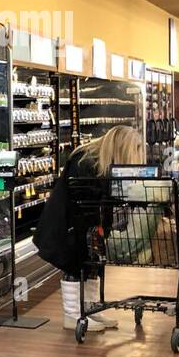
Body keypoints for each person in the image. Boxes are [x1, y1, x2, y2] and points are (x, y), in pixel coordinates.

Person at [34, 125, 147, 332]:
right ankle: (73, 315)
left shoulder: (100, 162)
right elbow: (84, 197)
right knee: (74, 265)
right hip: (68, 226)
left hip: (88, 226)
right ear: (121, 147)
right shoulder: (84, 161)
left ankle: (90, 310)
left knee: (92, 264)